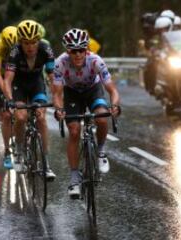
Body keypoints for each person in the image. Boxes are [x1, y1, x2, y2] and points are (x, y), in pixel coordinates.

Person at [53, 28, 120, 198]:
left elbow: (112, 90)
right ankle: (74, 178)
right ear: (68, 51)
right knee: (74, 131)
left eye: (81, 50)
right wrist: (59, 109)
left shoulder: (96, 61)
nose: (77, 55)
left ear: (86, 49)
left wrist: (115, 105)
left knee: (102, 118)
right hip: (72, 93)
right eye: (73, 51)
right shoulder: (60, 63)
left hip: (93, 90)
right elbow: (57, 93)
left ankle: (101, 151)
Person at [3, 19, 56, 180]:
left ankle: (46, 164)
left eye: (33, 42)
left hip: (36, 84)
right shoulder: (14, 52)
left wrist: (58, 98)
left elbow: (53, 78)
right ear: (20, 42)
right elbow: (7, 80)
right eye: (26, 43)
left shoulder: (46, 49)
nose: (30, 47)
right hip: (18, 85)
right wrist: (10, 100)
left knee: (41, 118)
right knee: (21, 117)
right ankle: (19, 151)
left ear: (39, 41)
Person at [0, 26, 18, 169]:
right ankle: (7, 151)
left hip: (18, 76)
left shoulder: (22, 44)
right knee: (7, 115)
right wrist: (4, 89)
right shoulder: (0, 46)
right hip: (3, 77)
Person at [143, 16, 173, 94]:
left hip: (173, 57)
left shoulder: (174, 36)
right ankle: (153, 86)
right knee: (152, 65)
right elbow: (152, 46)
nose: (163, 31)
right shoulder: (156, 38)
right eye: (161, 29)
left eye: (165, 28)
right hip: (161, 58)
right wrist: (154, 51)